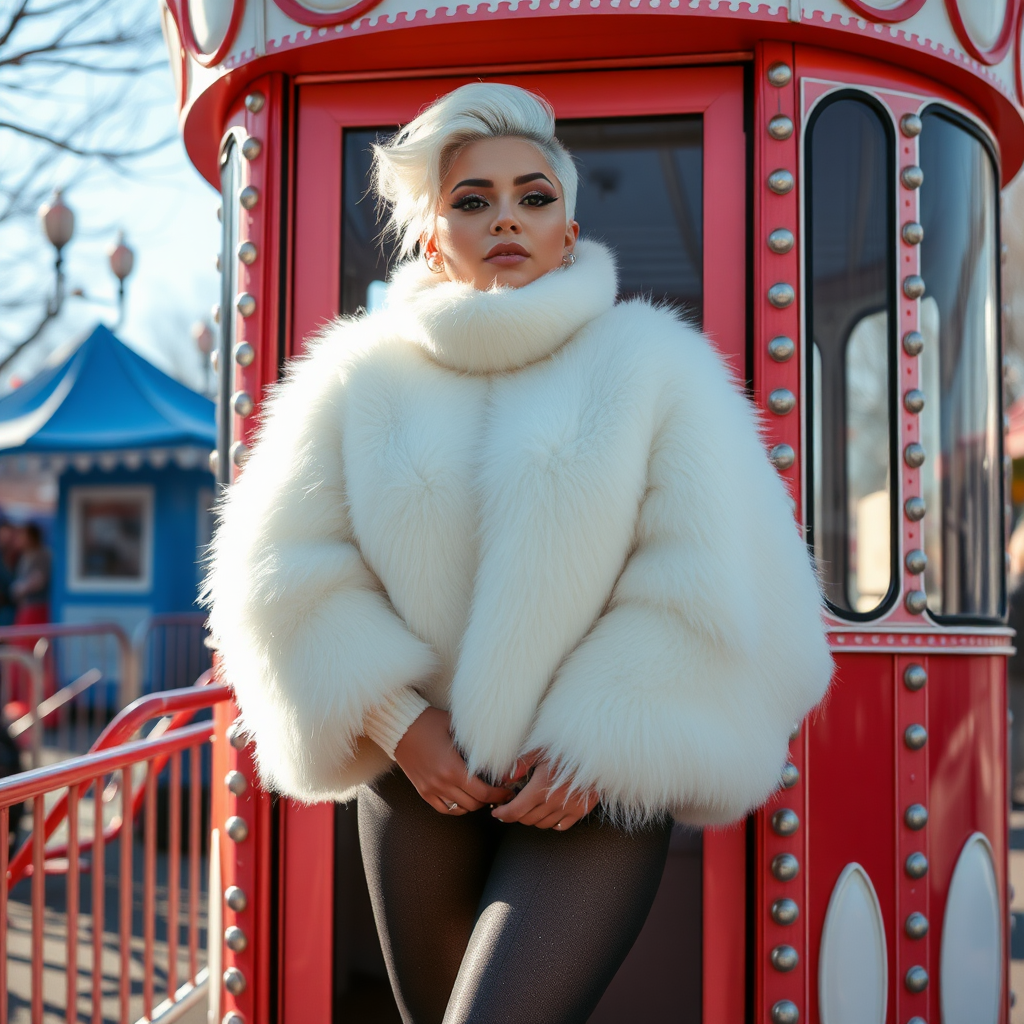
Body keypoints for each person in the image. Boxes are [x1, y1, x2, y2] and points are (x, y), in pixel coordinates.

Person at [205, 83, 832, 1024]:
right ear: (430, 236)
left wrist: (602, 740)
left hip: (593, 791)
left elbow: (719, 582)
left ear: (569, 231)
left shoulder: (655, 367)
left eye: (534, 197)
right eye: (473, 199)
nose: (507, 217)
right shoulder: (354, 379)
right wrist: (396, 721)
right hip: (420, 786)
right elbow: (281, 576)